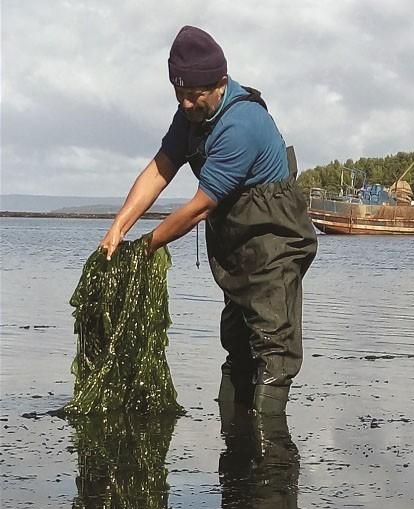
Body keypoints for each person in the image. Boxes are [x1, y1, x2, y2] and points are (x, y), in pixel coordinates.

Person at [100, 26, 317, 415]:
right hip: (236, 243)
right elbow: (161, 168)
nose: (185, 104)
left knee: (273, 349)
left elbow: (200, 207)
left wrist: (146, 246)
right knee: (237, 343)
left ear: (220, 82)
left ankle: (273, 462)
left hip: (275, 239)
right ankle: (233, 454)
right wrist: (119, 226)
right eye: (178, 94)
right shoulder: (190, 116)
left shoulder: (242, 124)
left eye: (193, 95)